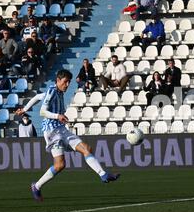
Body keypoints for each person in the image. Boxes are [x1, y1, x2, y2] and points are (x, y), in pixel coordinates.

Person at [15, 69, 120, 202]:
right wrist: (58, 116)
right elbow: (42, 111)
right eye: (65, 82)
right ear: (58, 81)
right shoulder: (52, 91)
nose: (67, 84)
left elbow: (37, 97)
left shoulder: (56, 90)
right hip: (51, 131)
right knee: (60, 165)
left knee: (86, 148)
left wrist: (24, 109)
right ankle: (36, 186)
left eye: (69, 82)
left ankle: (103, 174)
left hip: (60, 128)